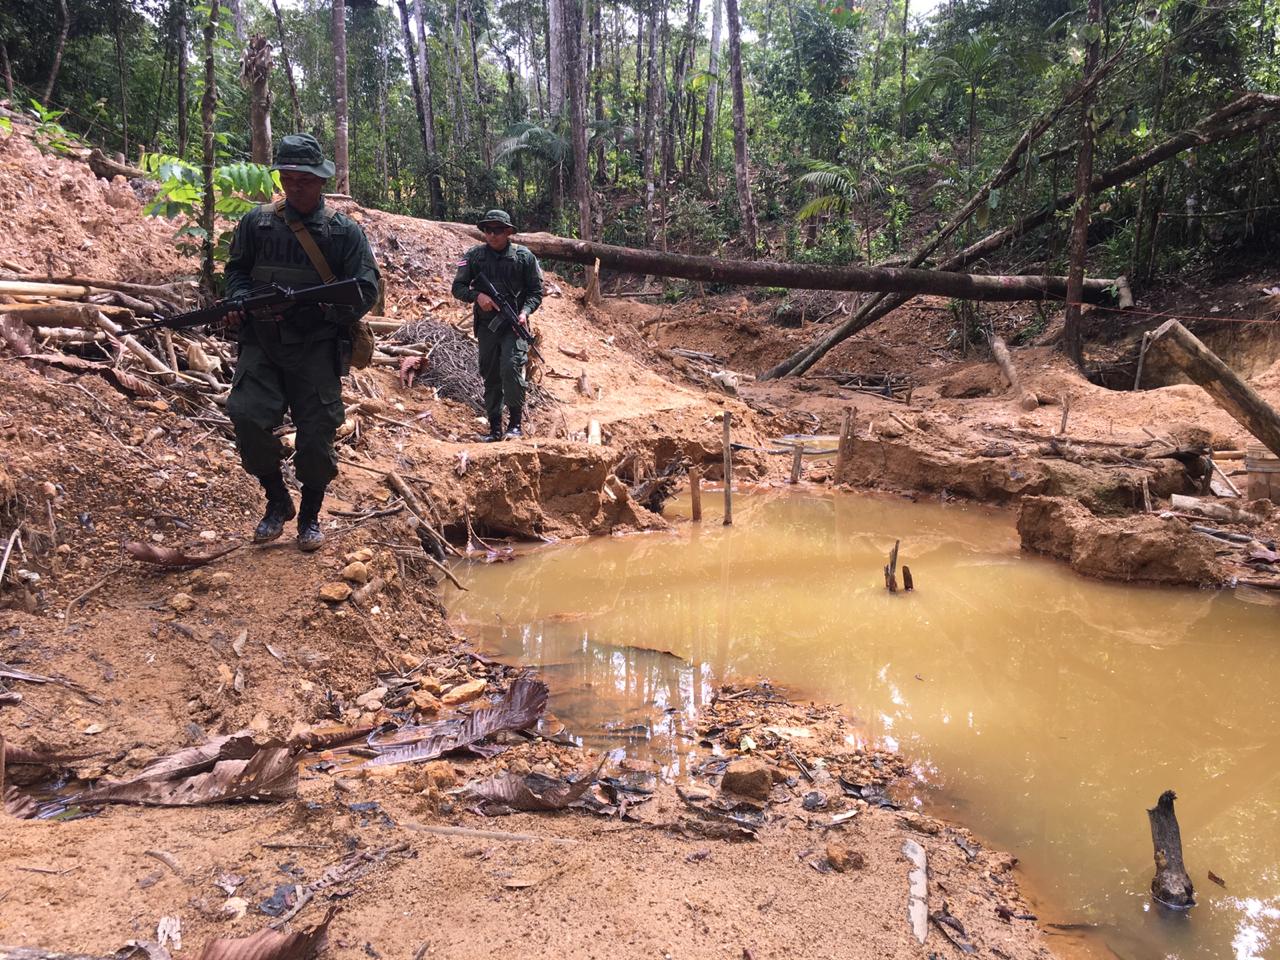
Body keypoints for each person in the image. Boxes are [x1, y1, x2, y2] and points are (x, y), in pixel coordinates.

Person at [224, 133, 380, 551]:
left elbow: (366, 290)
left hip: (316, 347)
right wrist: (238, 299)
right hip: (262, 342)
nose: (296, 187)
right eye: (288, 179)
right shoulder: (257, 224)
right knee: (246, 416)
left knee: (316, 436)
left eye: (305, 180)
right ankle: (277, 500)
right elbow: (236, 270)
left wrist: (319, 312)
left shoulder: (343, 232)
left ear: (322, 180)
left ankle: (310, 514)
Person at [451, 209, 543, 441]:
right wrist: (478, 297)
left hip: (513, 326)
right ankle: (494, 429)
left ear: (509, 231)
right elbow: (458, 288)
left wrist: (524, 312)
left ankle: (515, 425)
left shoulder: (524, 257)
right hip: (487, 327)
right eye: (488, 230)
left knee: (511, 369)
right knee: (490, 374)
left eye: (498, 230)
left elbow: (536, 292)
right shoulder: (475, 256)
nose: (492, 235)